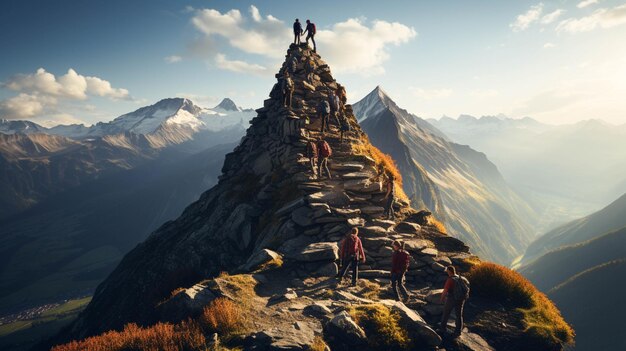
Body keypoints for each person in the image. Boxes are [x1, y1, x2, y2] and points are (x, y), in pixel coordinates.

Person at [438, 266, 470, 337]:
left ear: (449, 271)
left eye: (447, 271)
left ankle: (442, 329)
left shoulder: (450, 280)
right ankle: (458, 331)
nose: (446, 272)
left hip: (451, 298)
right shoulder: (460, 278)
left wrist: (441, 299)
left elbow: (445, 291)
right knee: (459, 315)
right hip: (461, 299)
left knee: (446, 313)